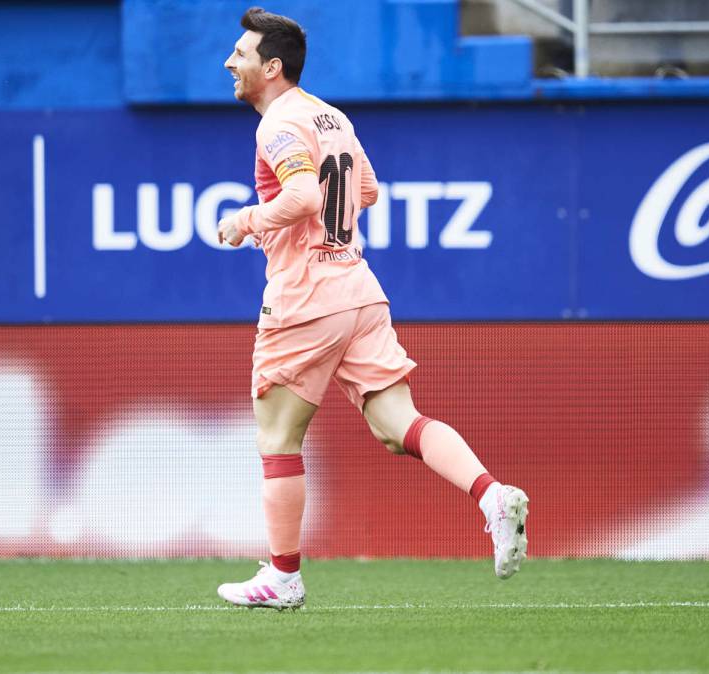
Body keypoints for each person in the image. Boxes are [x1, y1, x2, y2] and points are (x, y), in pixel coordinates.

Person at [212, 8, 528, 610]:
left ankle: (282, 578)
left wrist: (247, 220)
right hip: (358, 289)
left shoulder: (276, 124)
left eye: (241, 54)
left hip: (304, 298)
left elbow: (304, 194)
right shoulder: (331, 116)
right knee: (398, 425)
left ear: (271, 67)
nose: (231, 62)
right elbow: (368, 190)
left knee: (278, 440)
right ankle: (490, 495)